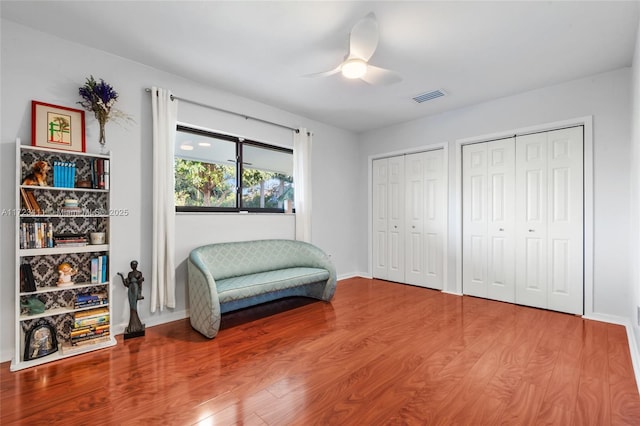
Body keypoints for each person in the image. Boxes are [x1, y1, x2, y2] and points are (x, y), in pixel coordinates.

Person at [117, 260, 145, 335]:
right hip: (130, 289)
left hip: (135, 288)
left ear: (136, 265)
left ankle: (136, 325)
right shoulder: (129, 274)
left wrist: (139, 293)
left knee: (134, 305)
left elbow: (140, 284)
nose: (133, 266)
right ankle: (132, 325)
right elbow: (126, 283)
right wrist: (122, 276)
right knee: (131, 305)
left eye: (134, 264)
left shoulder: (139, 273)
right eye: (132, 264)